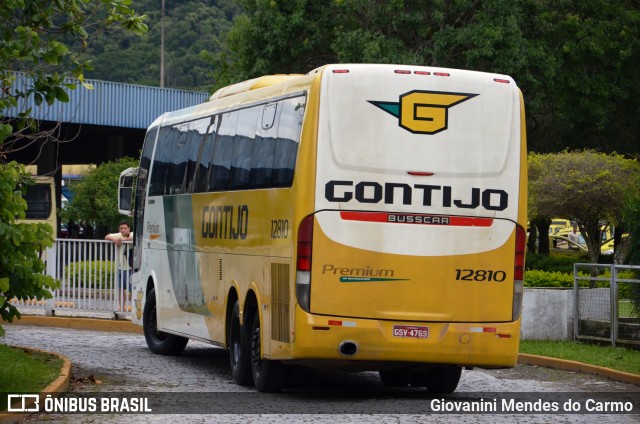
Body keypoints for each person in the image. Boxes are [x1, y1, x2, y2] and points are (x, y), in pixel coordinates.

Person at [105, 221, 133, 311]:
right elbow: (106, 236)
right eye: (121, 228)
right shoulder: (118, 235)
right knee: (120, 289)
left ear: (129, 229)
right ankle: (122, 307)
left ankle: (137, 308)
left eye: (125, 228)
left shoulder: (132, 234)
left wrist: (123, 240)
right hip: (120, 268)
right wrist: (115, 240)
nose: (123, 230)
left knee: (132, 289)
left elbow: (136, 238)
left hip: (130, 268)